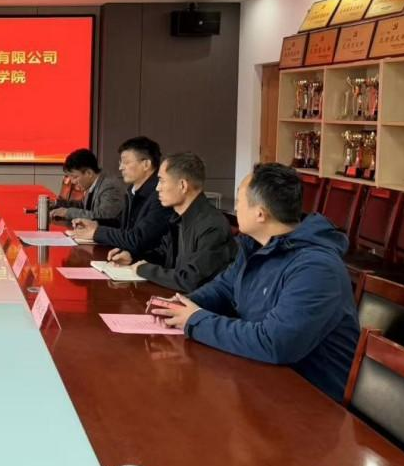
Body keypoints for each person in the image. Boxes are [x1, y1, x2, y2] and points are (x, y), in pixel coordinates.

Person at [153, 163, 361, 402]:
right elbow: (224, 288)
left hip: (312, 400)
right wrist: (182, 305)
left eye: (239, 202)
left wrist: (195, 320)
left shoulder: (316, 268)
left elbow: (275, 342)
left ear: (260, 214)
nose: (235, 208)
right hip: (262, 379)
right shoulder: (255, 246)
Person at [107, 152, 237, 293]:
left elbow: (190, 279)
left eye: (162, 181)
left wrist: (143, 269)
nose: (157, 188)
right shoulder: (178, 216)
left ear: (182, 185)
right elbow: (164, 255)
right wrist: (132, 257)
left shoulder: (212, 225)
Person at [72, 136, 171, 260]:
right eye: (120, 163)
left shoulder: (160, 195)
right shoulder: (132, 190)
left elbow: (139, 239)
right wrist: (95, 224)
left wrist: (96, 232)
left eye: (126, 162)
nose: (120, 168)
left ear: (146, 164)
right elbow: (120, 224)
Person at [49, 148, 124, 223]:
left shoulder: (109, 186)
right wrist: (56, 203)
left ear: (89, 173)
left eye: (75, 177)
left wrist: (67, 213)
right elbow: (83, 206)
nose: (72, 182)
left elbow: (103, 217)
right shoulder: (92, 183)